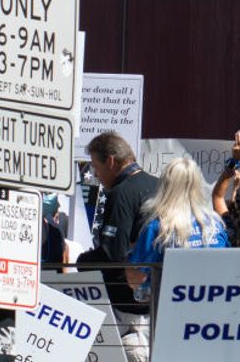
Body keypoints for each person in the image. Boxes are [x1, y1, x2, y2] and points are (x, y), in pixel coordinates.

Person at [77, 132, 160, 349]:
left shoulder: (121, 192)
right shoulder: (161, 186)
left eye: (96, 166)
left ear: (111, 162)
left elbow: (112, 252)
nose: (95, 174)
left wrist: (81, 262)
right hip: (159, 302)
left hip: (127, 311)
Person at [125, 157, 229, 301]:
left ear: (165, 186)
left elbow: (135, 280)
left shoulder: (158, 228)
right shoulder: (216, 224)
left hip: (172, 309)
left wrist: (129, 259)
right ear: (197, 185)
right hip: (213, 304)